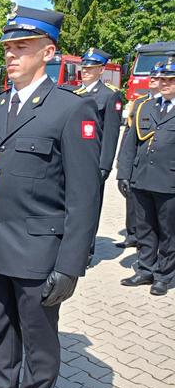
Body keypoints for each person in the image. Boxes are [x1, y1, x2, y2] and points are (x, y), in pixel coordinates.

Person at [0, 5, 100, 388]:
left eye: (21, 47)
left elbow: (85, 196)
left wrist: (70, 265)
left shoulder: (69, 109)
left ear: (48, 51)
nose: (11, 55)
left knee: (39, 343)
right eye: (8, 47)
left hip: (37, 252)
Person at [117, 58, 175, 296]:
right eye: (161, 79)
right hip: (142, 178)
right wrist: (124, 173)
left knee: (168, 231)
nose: (163, 84)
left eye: (170, 80)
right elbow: (131, 143)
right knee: (145, 228)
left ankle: (163, 275)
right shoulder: (145, 106)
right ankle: (145, 269)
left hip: (169, 181)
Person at [75, 48, 123, 266]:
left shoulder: (109, 95)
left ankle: (86, 251)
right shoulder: (76, 94)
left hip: (93, 162)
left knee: (89, 208)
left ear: (101, 70)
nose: (85, 71)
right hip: (73, 159)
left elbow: (111, 134)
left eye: (91, 68)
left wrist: (105, 166)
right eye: (84, 67)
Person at [116, 62, 163, 249]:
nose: (153, 80)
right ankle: (133, 235)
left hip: (163, 170)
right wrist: (122, 163)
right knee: (136, 208)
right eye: (152, 76)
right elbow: (129, 135)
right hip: (139, 165)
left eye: (159, 77)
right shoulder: (140, 103)